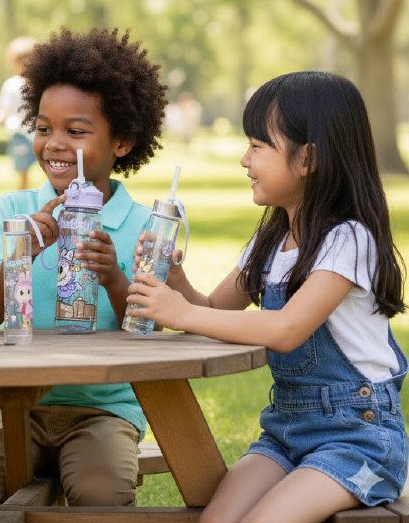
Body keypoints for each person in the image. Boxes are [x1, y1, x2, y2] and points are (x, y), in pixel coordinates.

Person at [126, 71, 407, 523]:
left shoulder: (348, 239)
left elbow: (286, 329)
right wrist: (176, 282)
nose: (245, 159)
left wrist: (179, 313)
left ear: (308, 158)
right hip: (286, 430)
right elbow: (213, 310)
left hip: (358, 438)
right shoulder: (270, 241)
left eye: (258, 146)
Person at [0, 27, 168, 507]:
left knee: (101, 493)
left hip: (103, 411)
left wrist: (114, 277)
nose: (54, 144)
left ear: (122, 141)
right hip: (16, 406)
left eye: (76, 131)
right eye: (44, 129)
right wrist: (22, 253)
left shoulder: (144, 227)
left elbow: (149, 330)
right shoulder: (12, 211)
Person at [0, 36, 38, 190]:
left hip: (40, 133)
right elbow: (3, 111)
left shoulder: (41, 83)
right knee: (22, 172)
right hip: (20, 135)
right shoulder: (11, 85)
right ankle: (23, 200)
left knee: (50, 169)